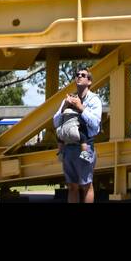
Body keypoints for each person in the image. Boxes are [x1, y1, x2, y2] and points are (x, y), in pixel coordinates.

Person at [53, 66, 103, 204]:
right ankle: (60, 153)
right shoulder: (68, 99)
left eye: (83, 75)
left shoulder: (94, 100)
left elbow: (95, 123)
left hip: (86, 147)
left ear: (89, 81)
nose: (79, 76)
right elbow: (56, 121)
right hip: (68, 149)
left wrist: (81, 108)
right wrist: (64, 107)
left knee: (87, 185)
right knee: (72, 186)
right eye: (77, 74)